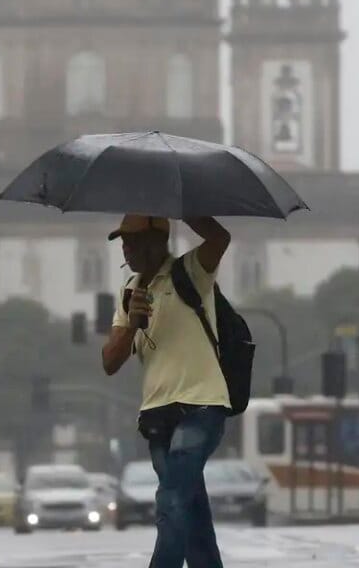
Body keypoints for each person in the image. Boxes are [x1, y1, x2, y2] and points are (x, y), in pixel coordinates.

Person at [101, 214, 231, 568]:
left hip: (201, 406)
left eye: (133, 241)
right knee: (192, 517)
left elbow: (220, 238)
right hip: (158, 416)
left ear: (158, 241)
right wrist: (131, 322)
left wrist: (184, 205)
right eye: (123, 241)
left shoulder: (190, 270)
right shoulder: (130, 290)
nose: (126, 248)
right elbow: (110, 361)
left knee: (171, 499)